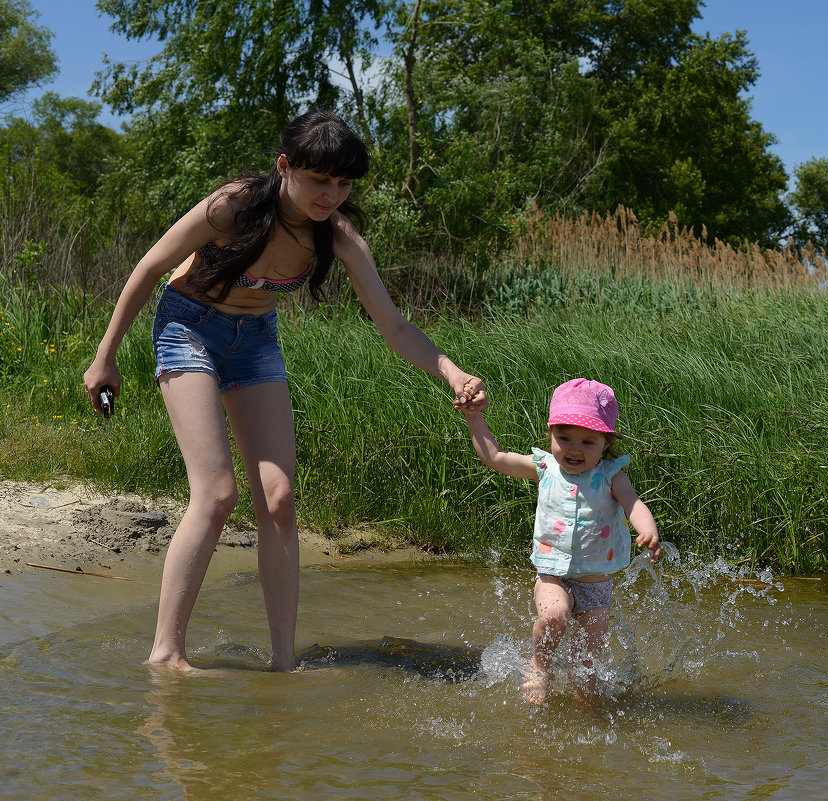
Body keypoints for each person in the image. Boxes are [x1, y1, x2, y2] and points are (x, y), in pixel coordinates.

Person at [82, 109, 485, 673]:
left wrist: (451, 371)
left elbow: (393, 325)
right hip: (187, 326)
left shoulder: (338, 236)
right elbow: (151, 267)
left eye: (343, 184)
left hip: (255, 341)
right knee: (218, 492)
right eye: (320, 179)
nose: (332, 194)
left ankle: (281, 662)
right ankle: (165, 653)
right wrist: (105, 357)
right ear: (285, 167)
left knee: (278, 498)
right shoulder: (235, 205)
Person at [460, 378, 660, 704]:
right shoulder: (545, 468)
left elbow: (633, 505)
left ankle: (591, 723)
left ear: (606, 443)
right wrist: (474, 417)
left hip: (595, 585)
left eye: (587, 441)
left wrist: (647, 529)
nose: (574, 449)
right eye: (563, 437)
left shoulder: (611, 476)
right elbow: (494, 457)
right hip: (552, 573)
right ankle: (540, 666)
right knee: (554, 617)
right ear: (551, 433)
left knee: (586, 674)